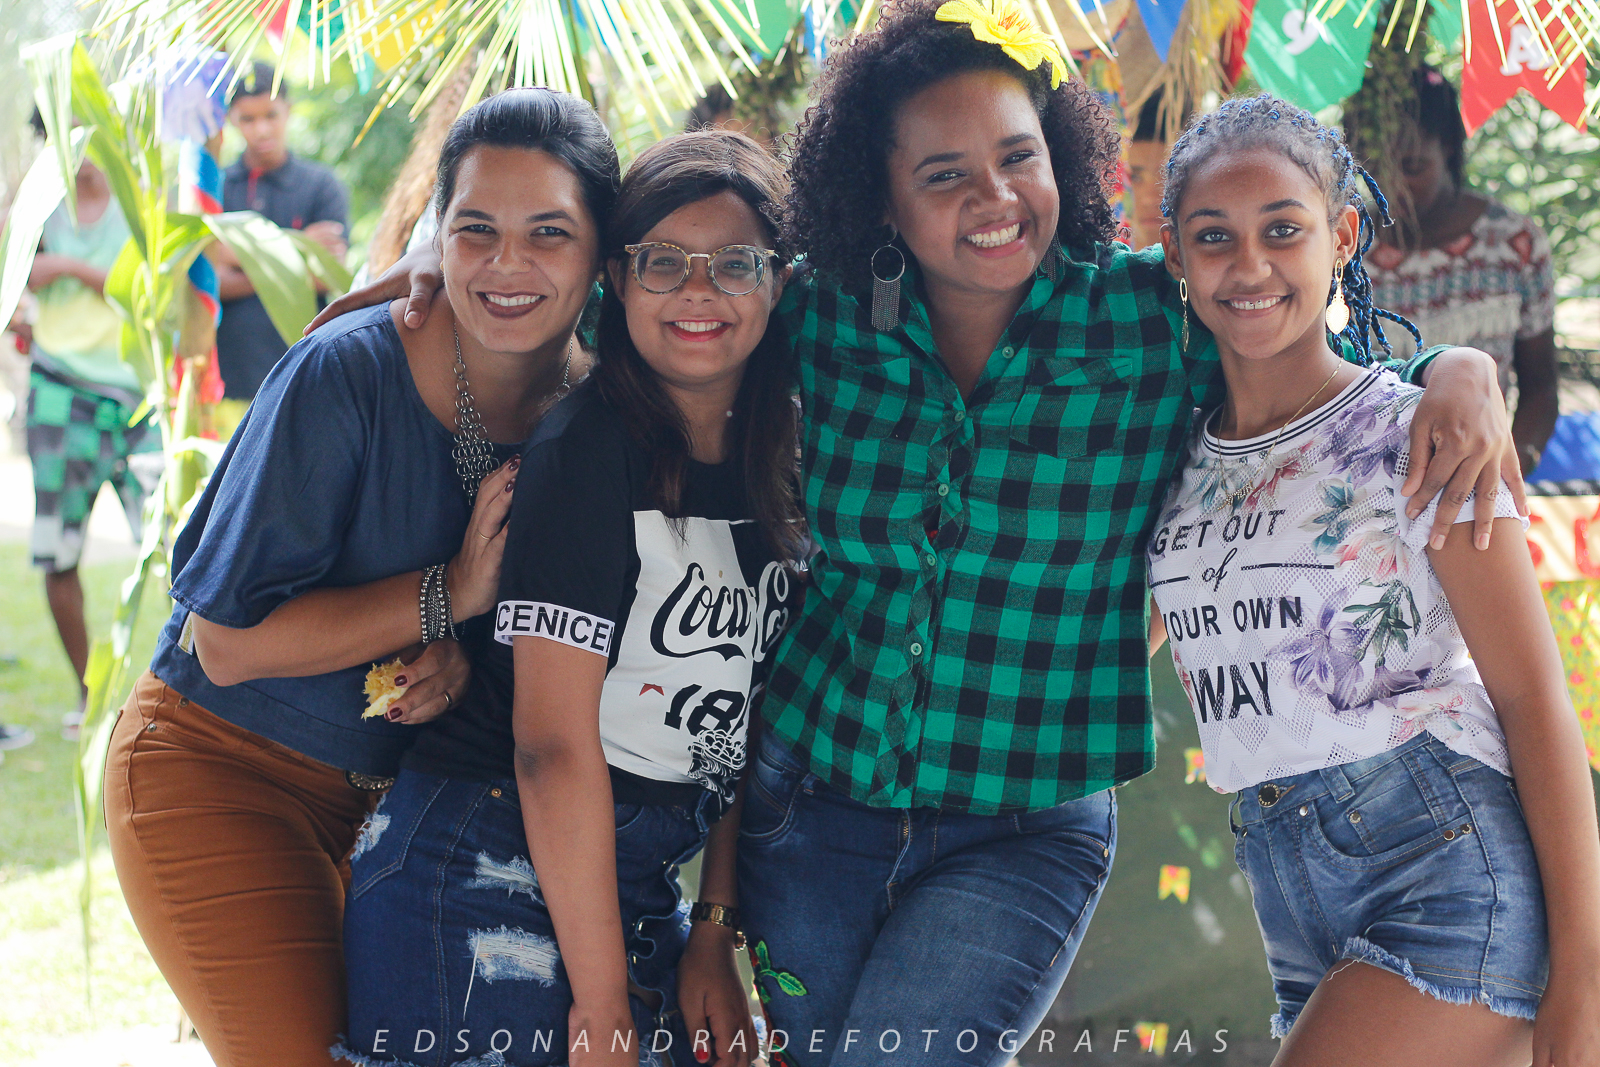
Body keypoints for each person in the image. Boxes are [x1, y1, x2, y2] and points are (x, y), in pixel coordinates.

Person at [317, 3, 1519, 1057]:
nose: (992, 197)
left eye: (1017, 157)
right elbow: (628, 309)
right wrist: (425, 282)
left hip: (1027, 826)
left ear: (1061, 158)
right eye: (943, 175)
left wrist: (1454, 370)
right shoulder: (817, 320)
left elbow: (1320, 358)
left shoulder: (1153, 323)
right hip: (806, 814)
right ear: (878, 197)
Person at [103, 88, 617, 1067]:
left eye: (549, 233)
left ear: (602, 254)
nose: (507, 263)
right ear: (438, 233)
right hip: (221, 767)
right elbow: (225, 641)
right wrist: (447, 592)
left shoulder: (595, 414)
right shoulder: (348, 372)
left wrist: (458, 654)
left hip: (404, 809)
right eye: (476, 229)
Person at [1149, 94, 1600, 1066]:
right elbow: (1115, 642)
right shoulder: (1175, 467)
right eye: (1214, 236)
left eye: (1283, 229)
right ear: (1175, 256)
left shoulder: (1419, 433)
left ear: (1343, 235)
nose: (1250, 265)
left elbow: (1532, 697)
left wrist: (1584, 975)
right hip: (1288, 896)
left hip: (1445, 863)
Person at [339, 128, 802, 1067]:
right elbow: (549, 747)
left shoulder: (783, 457)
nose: (698, 291)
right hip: (481, 862)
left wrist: (714, 924)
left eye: (735, 264)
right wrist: (601, 1002)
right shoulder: (587, 449)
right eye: (663, 262)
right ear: (617, 279)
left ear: (780, 282)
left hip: (634, 882)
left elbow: (741, 717)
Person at [19, 111, 161, 741]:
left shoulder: (139, 196)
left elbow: (151, 284)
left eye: (86, 124)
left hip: (138, 399)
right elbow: (11, 279)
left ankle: (178, 696)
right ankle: (86, 698)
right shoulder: (38, 209)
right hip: (60, 394)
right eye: (61, 130)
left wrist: (71, 269)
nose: (78, 143)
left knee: (175, 549)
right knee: (59, 552)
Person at [1354, 66, 1559, 476]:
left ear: (1447, 147)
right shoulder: (1345, 250)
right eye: (1375, 170)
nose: (1392, 188)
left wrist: (1505, 471)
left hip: (1480, 482)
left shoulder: (1513, 245)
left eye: (1412, 166)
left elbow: (1540, 388)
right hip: (1363, 485)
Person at [206, 60, 350, 436]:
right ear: (231, 120)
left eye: (271, 115)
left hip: (302, 372)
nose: (262, 129)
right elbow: (207, 278)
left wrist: (237, 256)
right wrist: (295, 254)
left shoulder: (321, 186)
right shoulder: (216, 186)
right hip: (228, 380)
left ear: (288, 109)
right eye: (248, 119)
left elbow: (326, 276)